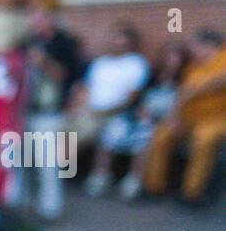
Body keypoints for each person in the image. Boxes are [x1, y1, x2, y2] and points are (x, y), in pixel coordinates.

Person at [126, 29, 226, 205]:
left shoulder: (223, 59)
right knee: (161, 135)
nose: (192, 51)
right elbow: (180, 95)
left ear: (209, 46)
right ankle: (154, 187)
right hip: (189, 118)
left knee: (204, 139)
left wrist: (193, 91)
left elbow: (220, 80)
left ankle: (191, 193)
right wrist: (175, 118)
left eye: (195, 46)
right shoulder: (193, 66)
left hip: (217, 119)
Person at [10, 4, 84, 220]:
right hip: (24, 109)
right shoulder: (26, 42)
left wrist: (43, 62)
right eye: (34, 17)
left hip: (49, 111)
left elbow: (67, 77)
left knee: (47, 162)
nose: (36, 21)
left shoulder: (64, 44)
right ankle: (16, 202)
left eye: (42, 17)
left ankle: (50, 208)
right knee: (18, 160)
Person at [74, 24, 149, 195]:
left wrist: (105, 112)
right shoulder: (100, 63)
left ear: (130, 43)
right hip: (89, 112)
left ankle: (101, 175)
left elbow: (132, 96)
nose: (117, 42)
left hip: (119, 114)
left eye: (122, 38)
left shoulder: (136, 64)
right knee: (62, 131)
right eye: (115, 37)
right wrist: (80, 107)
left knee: (106, 132)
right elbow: (85, 88)